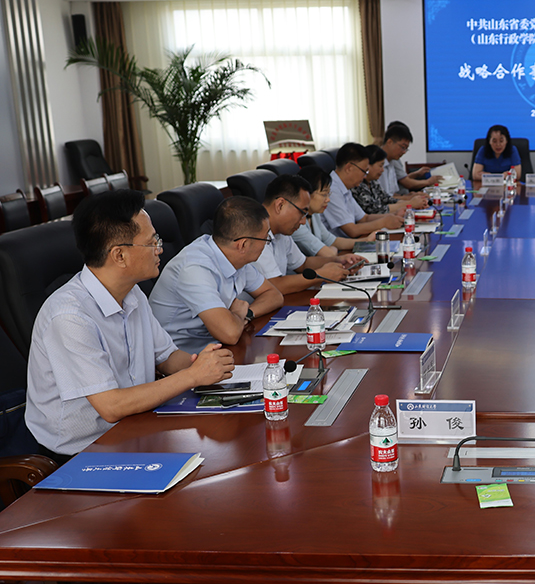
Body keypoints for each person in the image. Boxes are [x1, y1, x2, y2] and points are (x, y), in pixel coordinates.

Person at [23, 191, 237, 460]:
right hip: (82, 452)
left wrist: (207, 363)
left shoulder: (132, 293)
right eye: (152, 242)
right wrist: (193, 376)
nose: (159, 249)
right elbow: (111, 406)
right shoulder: (69, 316)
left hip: (137, 426)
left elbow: (167, 357)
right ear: (119, 255)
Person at [150, 196, 284, 353]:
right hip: (181, 357)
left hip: (215, 347)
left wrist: (246, 313)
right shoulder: (194, 268)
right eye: (265, 238)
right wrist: (236, 315)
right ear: (243, 244)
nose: (266, 243)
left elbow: (274, 295)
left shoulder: (235, 257)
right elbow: (230, 334)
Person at [257, 174, 362, 294]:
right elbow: (274, 285)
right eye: (302, 213)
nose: (303, 222)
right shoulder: (255, 232)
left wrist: (338, 261)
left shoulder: (282, 232)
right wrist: (321, 275)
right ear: (280, 205)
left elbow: (303, 264)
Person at [323, 143, 403, 238]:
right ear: (349, 168)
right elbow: (352, 230)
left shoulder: (345, 187)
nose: (365, 176)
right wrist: (384, 222)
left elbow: (364, 218)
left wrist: (393, 216)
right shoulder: (331, 190)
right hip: (341, 244)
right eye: (364, 171)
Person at [292, 165, 373, 258]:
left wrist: (367, 241)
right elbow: (328, 254)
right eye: (324, 194)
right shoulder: (296, 222)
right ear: (306, 194)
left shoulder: (314, 214)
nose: (328, 199)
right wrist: (333, 249)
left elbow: (333, 241)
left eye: (328, 194)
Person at [353, 144, 427, 215]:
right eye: (380, 166)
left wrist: (414, 201)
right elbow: (376, 210)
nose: (382, 170)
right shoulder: (358, 184)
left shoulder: (373, 182)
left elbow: (388, 200)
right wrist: (410, 203)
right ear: (368, 165)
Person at [379, 121, 441, 194]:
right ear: (389, 142)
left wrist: (410, 197)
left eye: (406, 149)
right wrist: (428, 182)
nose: (404, 152)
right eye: (402, 147)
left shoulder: (391, 162)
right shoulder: (378, 163)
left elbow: (392, 194)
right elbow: (384, 198)